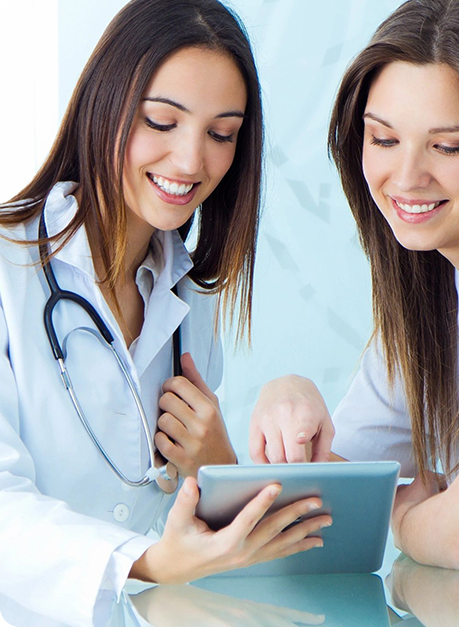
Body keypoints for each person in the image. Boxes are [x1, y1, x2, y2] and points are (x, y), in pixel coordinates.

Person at [0, 1, 332, 625]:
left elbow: (194, 536)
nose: (189, 162)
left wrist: (218, 464)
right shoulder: (7, 269)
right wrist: (143, 561)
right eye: (161, 121)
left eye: (221, 134)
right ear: (105, 103)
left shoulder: (189, 299)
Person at [250, 0, 459, 584]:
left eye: (448, 146)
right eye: (383, 139)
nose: (406, 178)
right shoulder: (432, 294)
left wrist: (405, 518)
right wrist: (288, 394)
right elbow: (335, 495)